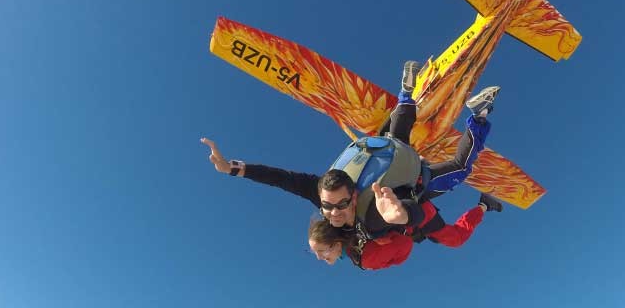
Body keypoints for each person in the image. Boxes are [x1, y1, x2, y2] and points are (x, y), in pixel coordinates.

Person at [201, 61, 500, 242]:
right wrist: (234, 168)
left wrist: (401, 216)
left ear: (354, 196)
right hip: (388, 151)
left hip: (415, 177)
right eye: (328, 207)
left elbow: (408, 213)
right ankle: (407, 92)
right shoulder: (321, 195)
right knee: (398, 134)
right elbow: (280, 178)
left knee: (461, 168)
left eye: (338, 206)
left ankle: (479, 115)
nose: (333, 213)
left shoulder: (371, 217)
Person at [308, 193, 504, 270]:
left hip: (416, 217)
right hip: (399, 196)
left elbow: (405, 244)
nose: (320, 258)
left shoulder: (364, 258)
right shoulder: (343, 217)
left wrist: (397, 256)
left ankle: (484, 204)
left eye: (322, 252)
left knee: (456, 238)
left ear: (336, 243)